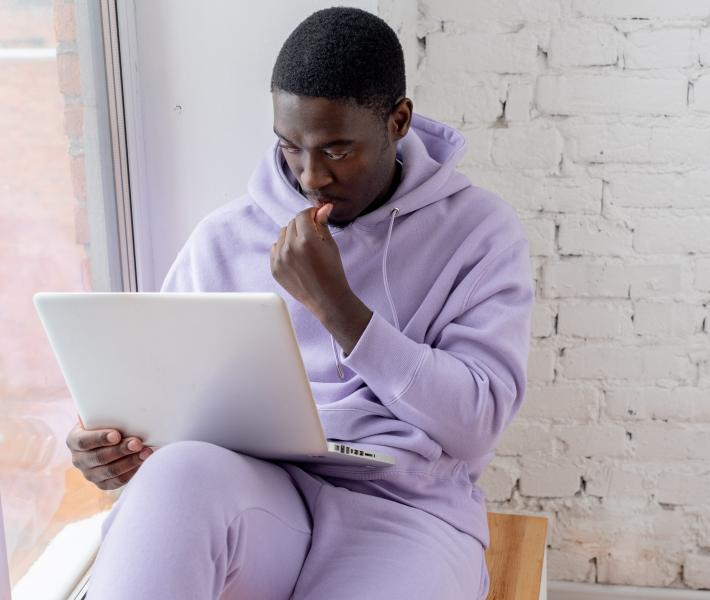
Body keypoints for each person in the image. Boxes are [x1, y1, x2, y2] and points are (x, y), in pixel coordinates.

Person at [66, 7, 533, 599]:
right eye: (290, 146)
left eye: (337, 151)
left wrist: (338, 306)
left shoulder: (478, 233)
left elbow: (474, 427)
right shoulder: (225, 235)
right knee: (174, 478)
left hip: (407, 509)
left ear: (398, 120)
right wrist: (112, 446)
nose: (311, 176)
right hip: (257, 488)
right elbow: (161, 396)